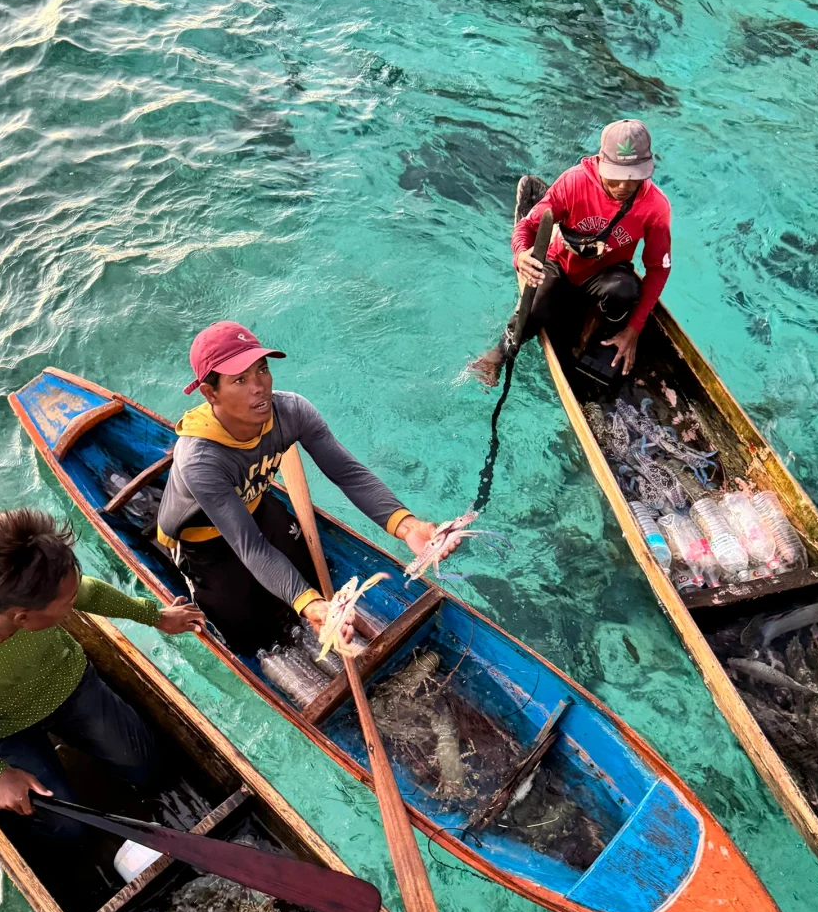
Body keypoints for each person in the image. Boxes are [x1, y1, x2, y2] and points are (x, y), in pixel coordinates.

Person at [156, 322, 460, 654]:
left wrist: (407, 526)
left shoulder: (291, 412)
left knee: (312, 579)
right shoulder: (201, 459)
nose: (258, 387)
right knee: (250, 638)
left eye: (262, 370)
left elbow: (348, 473)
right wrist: (312, 607)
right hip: (204, 542)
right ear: (211, 393)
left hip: (255, 505)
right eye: (239, 380)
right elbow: (251, 548)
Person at [0, 509, 203, 822]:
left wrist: (155, 616)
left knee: (150, 771)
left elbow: (90, 593)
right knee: (67, 830)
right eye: (68, 603)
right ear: (22, 618)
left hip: (67, 685)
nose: (75, 601)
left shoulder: (44, 588)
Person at [470, 119, 672, 385]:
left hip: (605, 272)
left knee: (626, 290)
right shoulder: (574, 183)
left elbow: (658, 269)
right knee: (533, 310)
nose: (624, 185)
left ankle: (595, 323)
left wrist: (634, 329)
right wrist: (520, 255)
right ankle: (498, 353)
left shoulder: (656, 208)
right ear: (600, 161)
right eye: (617, 174)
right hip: (561, 264)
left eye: (633, 176)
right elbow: (527, 227)